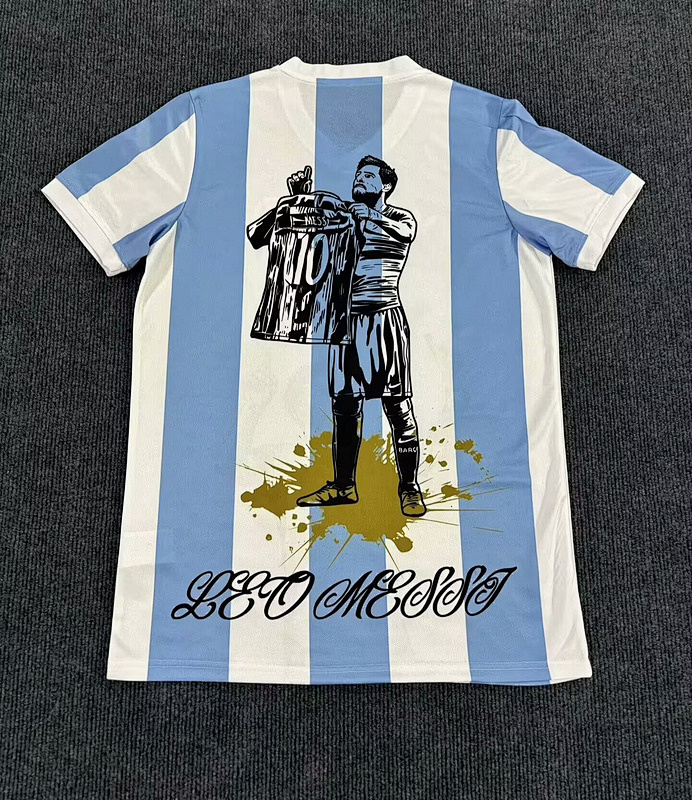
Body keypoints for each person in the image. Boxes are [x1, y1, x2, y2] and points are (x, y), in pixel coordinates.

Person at [294, 156, 426, 517]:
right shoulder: (344, 219)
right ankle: (343, 486)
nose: (359, 180)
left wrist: (365, 215)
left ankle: (409, 488)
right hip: (345, 323)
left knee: (397, 405)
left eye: (368, 176)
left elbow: (404, 233)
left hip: (384, 320)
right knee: (344, 406)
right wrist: (300, 200)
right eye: (357, 175)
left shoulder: (400, 218)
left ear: (386, 185)